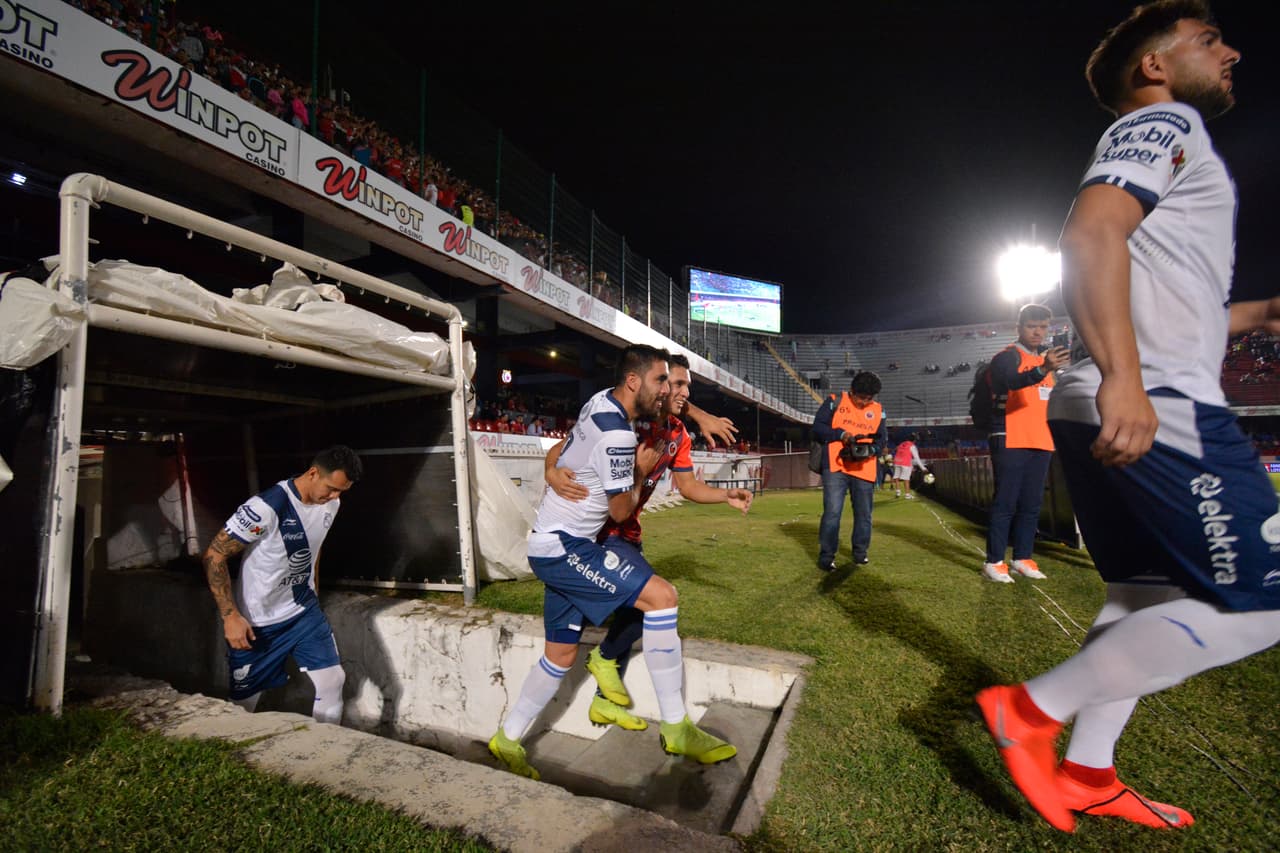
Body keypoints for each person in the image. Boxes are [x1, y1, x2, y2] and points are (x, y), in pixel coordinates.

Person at [977, 1, 1280, 834]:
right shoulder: (1165, 120)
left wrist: (1251, 314)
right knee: (1264, 603)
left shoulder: (1170, 139)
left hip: (1111, 394)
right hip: (1160, 403)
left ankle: (1088, 770)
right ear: (1154, 65)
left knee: (1143, 597)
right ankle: (1031, 713)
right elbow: (1090, 237)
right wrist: (1127, 378)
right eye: (1210, 40)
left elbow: (1154, 287)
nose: (1233, 52)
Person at [489, 345, 738, 780]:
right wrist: (639, 472)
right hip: (570, 547)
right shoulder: (621, 436)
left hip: (553, 544)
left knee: (561, 654)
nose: (667, 390)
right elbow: (621, 511)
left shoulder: (599, 401)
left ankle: (506, 739)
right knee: (661, 598)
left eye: (672, 382)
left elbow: (565, 450)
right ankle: (677, 727)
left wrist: (553, 469)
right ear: (635, 381)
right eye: (662, 381)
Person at [543, 353, 753, 732]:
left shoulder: (677, 434)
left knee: (636, 612)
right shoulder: (626, 419)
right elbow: (565, 447)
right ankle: (650, 705)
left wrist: (726, 496)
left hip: (628, 530)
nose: (684, 393)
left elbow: (687, 486)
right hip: (598, 532)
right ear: (656, 385)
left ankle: (605, 701)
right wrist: (550, 471)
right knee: (655, 599)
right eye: (677, 384)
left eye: (688, 387)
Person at [202, 445, 362, 724]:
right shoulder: (266, 506)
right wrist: (230, 617)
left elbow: (315, 547)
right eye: (331, 488)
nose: (335, 497)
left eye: (342, 491)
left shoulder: (331, 504)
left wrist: (314, 593)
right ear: (313, 473)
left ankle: (327, 751)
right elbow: (214, 556)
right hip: (258, 621)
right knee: (243, 705)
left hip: (303, 612)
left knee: (333, 680)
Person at [981, 303, 1070, 583]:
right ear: (1019, 327)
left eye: (1042, 327)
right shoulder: (1007, 356)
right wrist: (1043, 368)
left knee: (1032, 504)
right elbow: (1009, 381)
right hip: (1010, 434)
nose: (1037, 332)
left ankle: (1022, 557)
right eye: (1032, 326)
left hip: (1040, 437)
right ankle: (994, 561)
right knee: (1005, 501)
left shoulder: (1049, 362)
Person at [812, 371, 886, 571]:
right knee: (833, 512)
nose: (863, 402)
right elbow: (817, 427)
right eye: (861, 397)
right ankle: (827, 557)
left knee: (864, 515)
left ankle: (860, 554)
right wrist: (841, 434)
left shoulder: (878, 410)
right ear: (852, 391)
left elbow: (882, 440)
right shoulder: (834, 401)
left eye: (868, 399)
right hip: (836, 466)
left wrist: (871, 450)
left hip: (865, 468)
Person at [891, 432, 929, 499]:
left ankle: (898, 492)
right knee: (906, 479)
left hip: (897, 461)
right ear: (914, 440)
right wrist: (923, 468)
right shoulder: (912, 446)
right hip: (905, 463)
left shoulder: (901, 444)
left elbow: (896, 450)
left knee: (896, 477)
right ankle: (907, 495)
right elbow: (916, 458)